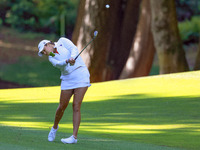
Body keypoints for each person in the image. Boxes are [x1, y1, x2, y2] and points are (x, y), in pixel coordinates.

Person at [37, 37, 91, 144]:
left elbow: (73, 48)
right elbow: (58, 63)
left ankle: (74, 137)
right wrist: (67, 61)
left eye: (43, 50)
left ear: (47, 44)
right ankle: (54, 127)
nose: (44, 53)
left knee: (76, 106)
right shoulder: (51, 56)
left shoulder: (62, 41)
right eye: (42, 53)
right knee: (62, 106)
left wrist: (72, 57)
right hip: (67, 79)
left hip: (81, 74)